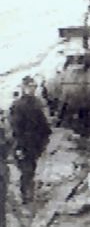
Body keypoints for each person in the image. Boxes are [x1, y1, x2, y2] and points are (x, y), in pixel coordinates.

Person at [9, 77, 51, 205]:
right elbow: (16, 127)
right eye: (30, 86)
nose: (32, 89)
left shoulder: (37, 103)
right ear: (23, 87)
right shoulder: (18, 105)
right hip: (24, 142)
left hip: (35, 141)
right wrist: (19, 146)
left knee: (32, 168)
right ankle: (26, 196)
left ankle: (30, 194)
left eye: (34, 86)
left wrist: (46, 136)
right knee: (26, 170)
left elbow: (42, 122)